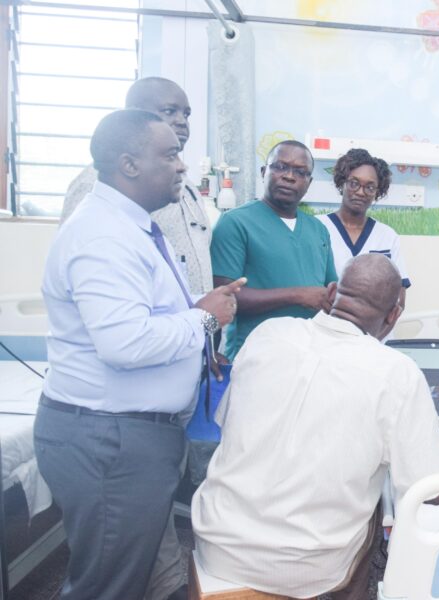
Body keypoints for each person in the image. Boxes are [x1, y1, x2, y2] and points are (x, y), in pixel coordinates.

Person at [34, 109, 241, 600]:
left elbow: (144, 316)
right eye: (169, 155)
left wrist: (198, 311)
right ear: (129, 164)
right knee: (106, 585)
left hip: (127, 437)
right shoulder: (103, 236)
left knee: (126, 576)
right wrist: (205, 318)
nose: (182, 166)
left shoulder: (131, 227)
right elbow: (125, 343)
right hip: (110, 441)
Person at [192, 254, 439, 599]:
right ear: (393, 316)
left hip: (217, 542)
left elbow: (229, 424)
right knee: (376, 507)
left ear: (331, 292)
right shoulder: (397, 372)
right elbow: (431, 491)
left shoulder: (267, 334)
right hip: (304, 566)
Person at [62, 77, 216, 296]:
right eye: (170, 111)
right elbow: (82, 262)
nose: (182, 121)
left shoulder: (186, 184)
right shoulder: (98, 181)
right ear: (134, 114)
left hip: (188, 314)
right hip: (128, 311)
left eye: (186, 114)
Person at [210, 140, 338, 359]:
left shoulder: (318, 230)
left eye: (300, 172)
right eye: (280, 167)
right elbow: (224, 298)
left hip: (310, 356)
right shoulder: (235, 223)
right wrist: (297, 295)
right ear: (263, 172)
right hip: (255, 357)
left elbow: (331, 291)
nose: (289, 176)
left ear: (309, 182)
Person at [319, 148, 411, 308]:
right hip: (326, 321)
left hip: (374, 323)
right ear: (342, 183)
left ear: (377, 192)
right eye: (354, 183)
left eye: (370, 187)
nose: (361, 192)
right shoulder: (318, 227)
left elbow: (398, 297)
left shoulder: (387, 236)